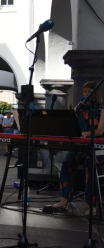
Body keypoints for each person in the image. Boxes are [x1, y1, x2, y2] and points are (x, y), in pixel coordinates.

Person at [51, 81, 104, 215]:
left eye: (89, 91)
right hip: (81, 145)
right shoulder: (79, 109)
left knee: (90, 165)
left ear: (95, 94)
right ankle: (64, 201)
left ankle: (92, 205)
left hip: (96, 146)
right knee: (66, 163)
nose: (86, 94)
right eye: (84, 91)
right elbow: (71, 124)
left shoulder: (101, 109)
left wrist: (88, 133)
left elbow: (100, 130)